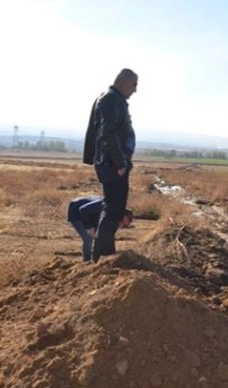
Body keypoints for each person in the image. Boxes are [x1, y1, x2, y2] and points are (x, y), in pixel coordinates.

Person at [83, 68, 138, 262]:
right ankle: (100, 258)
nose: (135, 90)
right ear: (123, 81)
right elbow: (107, 133)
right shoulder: (110, 99)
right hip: (112, 163)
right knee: (112, 209)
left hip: (111, 162)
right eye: (134, 84)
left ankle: (105, 255)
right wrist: (120, 161)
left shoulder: (111, 99)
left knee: (114, 209)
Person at [67, 196, 133, 262]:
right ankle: (86, 261)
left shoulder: (113, 217)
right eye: (129, 220)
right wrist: (88, 228)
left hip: (90, 216)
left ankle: (93, 259)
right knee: (88, 238)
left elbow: (109, 236)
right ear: (124, 215)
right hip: (76, 210)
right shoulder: (105, 205)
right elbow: (83, 210)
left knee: (97, 236)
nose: (122, 225)